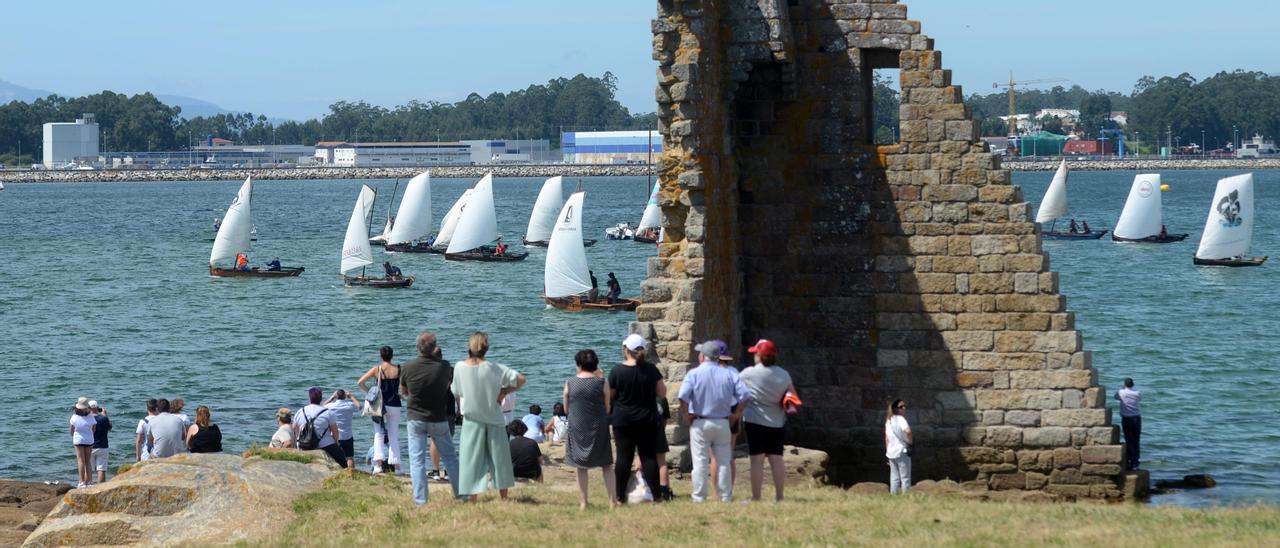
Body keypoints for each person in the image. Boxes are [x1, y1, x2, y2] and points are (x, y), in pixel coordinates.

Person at [452, 332, 526, 501]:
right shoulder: (496, 368)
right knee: (500, 461)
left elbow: (456, 391)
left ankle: (473, 499)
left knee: (471, 461)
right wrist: (504, 392)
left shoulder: (459, 367)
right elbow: (521, 379)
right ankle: (504, 498)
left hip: (472, 419)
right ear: (486, 348)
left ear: (469, 348)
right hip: (494, 418)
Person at [678, 339, 751, 502]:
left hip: (700, 421)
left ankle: (699, 496)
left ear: (703, 356)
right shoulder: (728, 373)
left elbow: (682, 396)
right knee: (724, 460)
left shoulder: (694, 373)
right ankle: (725, 496)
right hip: (723, 421)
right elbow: (745, 395)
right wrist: (737, 413)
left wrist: (685, 414)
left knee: (700, 462)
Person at [399, 331, 462, 505]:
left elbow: (403, 392)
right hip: (438, 417)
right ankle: (461, 495)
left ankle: (420, 501)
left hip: (415, 417)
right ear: (434, 347)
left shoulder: (408, 366)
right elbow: (447, 385)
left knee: (417, 460)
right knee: (450, 457)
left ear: (417, 347)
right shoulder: (445, 367)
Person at [610, 334, 666, 505]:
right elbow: (662, 393)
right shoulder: (651, 370)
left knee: (623, 459)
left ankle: (619, 497)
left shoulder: (617, 371)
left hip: (623, 420)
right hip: (647, 419)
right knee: (649, 457)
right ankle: (656, 496)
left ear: (625, 349)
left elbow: (610, 396)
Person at [739, 339, 797, 502]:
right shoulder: (784, 374)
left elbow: (735, 388)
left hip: (755, 421)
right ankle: (779, 497)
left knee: (756, 460)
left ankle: (756, 497)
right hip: (777, 422)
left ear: (758, 355)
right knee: (776, 459)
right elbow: (793, 396)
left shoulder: (748, 373)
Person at [564, 349, 617, 509]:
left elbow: (566, 409)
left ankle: (583, 502)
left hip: (578, 426)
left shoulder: (570, 383)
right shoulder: (602, 382)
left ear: (578, 365)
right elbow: (607, 407)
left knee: (580, 466)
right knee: (606, 464)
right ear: (595, 365)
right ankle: (613, 501)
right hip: (598, 425)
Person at [358, 346, 402, 474]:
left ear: (381, 356)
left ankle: (378, 466)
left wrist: (371, 393)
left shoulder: (377, 369)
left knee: (378, 434)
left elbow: (360, 382)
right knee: (393, 435)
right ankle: (397, 468)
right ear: (392, 356)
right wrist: (401, 395)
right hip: (395, 404)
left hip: (380, 404)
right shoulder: (399, 369)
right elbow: (406, 387)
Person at [293, 387, 346, 468]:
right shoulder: (327, 412)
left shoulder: (300, 411)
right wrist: (336, 443)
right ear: (321, 398)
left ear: (309, 398)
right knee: (343, 461)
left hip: (305, 444)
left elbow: (295, 429)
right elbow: (335, 431)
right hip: (325, 444)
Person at [324, 389, 360, 468]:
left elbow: (322, 407)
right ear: (345, 396)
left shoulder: (331, 406)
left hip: (335, 436)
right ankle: (351, 474)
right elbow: (359, 406)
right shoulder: (349, 405)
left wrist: (331, 398)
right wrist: (351, 396)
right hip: (348, 436)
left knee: (335, 457)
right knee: (349, 457)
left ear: (336, 397)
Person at [885, 399, 912, 494]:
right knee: (905, 478)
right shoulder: (900, 419)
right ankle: (906, 498)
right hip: (901, 451)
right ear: (895, 409)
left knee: (894, 478)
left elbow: (887, 438)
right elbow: (908, 431)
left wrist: (887, 451)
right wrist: (910, 442)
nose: (904, 408)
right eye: (901, 407)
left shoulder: (888, 421)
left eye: (904, 406)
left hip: (891, 452)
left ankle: (893, 497)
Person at [1116, 378, 1142, 470]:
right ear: (1132, 385)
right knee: (1136, 441)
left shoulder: (1121, 392)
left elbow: (1115, 397)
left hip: (1126, 419)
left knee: (1129, 440)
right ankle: (1136, 463)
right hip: (1136, 419)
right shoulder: (1137, 393)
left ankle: (1130, 461)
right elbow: (1139, 399)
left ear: (1125, 384)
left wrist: (1121, 388)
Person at [70, 400, 96, 489]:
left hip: (78, 440)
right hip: (89, 440)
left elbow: (71, 430)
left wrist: (74, 436)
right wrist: (88, 434)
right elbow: (94, 429)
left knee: (81, 460)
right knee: (88, 461)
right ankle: (89, 481)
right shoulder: (90, 416)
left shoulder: (74, 417)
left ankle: (81, 482)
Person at [88, 401, 112, 484]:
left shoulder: (87, 419)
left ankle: (87, 486)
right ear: (97, 408)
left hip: (89, 446)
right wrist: (105, 415)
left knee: (88, 469)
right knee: (101, 469)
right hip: (102, 446)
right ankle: (100, 488)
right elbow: (110, 427)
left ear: (88, 408)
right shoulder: (103, 418)